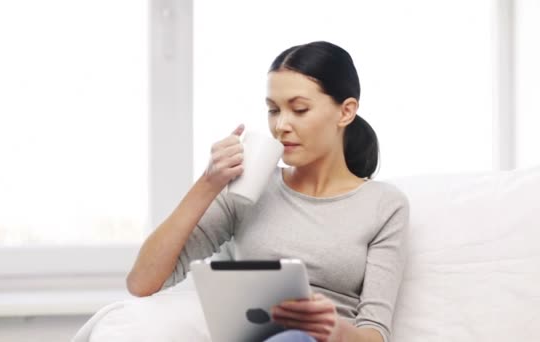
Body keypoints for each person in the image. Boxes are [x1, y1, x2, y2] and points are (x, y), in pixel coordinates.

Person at [127, 41, 409, 342]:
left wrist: (333, 329)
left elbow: (375, 333)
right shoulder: (249, 187)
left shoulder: (384, 205)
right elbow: (142, 282)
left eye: (299, 109)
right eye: (273, 110)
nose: (281, 125)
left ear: (346, 112)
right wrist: (208, 183)